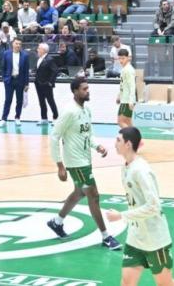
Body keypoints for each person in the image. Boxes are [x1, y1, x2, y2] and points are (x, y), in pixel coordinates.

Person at [47, 78, 122, 250]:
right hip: (75, 162)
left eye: (88, 88)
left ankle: (57, 222)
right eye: (84, 89)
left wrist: (98, 146)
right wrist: (59, 165)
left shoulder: (86, 109)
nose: (88, 91)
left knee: (79, 193)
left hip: (85, 159)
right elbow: (54, 136)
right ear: (75, 91)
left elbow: (88, 134)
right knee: (93, 195)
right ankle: (105, 236)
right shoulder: (68, 112)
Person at [106, 127, 174, 286]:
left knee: (165, 284)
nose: (115, 143)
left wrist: (122, 216)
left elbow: (153, 206)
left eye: (118, 140)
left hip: (155, 238)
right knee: (127, 283)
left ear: (128, 144)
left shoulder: (141, 170)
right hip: (135, 237)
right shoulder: (126, 167)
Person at [0, 38, 30, 126]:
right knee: (8, 100)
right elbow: (3, 68)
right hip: (9, 80)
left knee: (19, 101)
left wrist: (27, 83)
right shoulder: (6, 54)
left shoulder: (25, 55)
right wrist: (4, 79)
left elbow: (26, 71)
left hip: (20, 81)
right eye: (16, 43)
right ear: (12, 44)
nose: (18, 45)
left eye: (20, 44)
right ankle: (4, 119)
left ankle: (17, 117)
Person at [34, 43, 58, 125]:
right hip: (38, 84)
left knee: (50, 101)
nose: (37, 50)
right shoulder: (39, 59)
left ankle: (55, 118)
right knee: (41, 101)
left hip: (46, 85)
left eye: (39, 48)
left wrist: (50, 82)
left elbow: (55, 71)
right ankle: (44, 118)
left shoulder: (49, 59)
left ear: (43, 50)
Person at [117, 49, 136, 128]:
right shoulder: (125, 69)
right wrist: (119, 96)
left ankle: (131, 138)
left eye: (123, 58)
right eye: (120, 58)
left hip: (127, 100)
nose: (121, 60)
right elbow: (123, 85)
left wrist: (131, 100)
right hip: (124, 99)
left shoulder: (128, 70)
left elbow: (132, 85)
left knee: (121, 121)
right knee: (128, 122)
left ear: (128, 58)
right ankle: (137, 139)